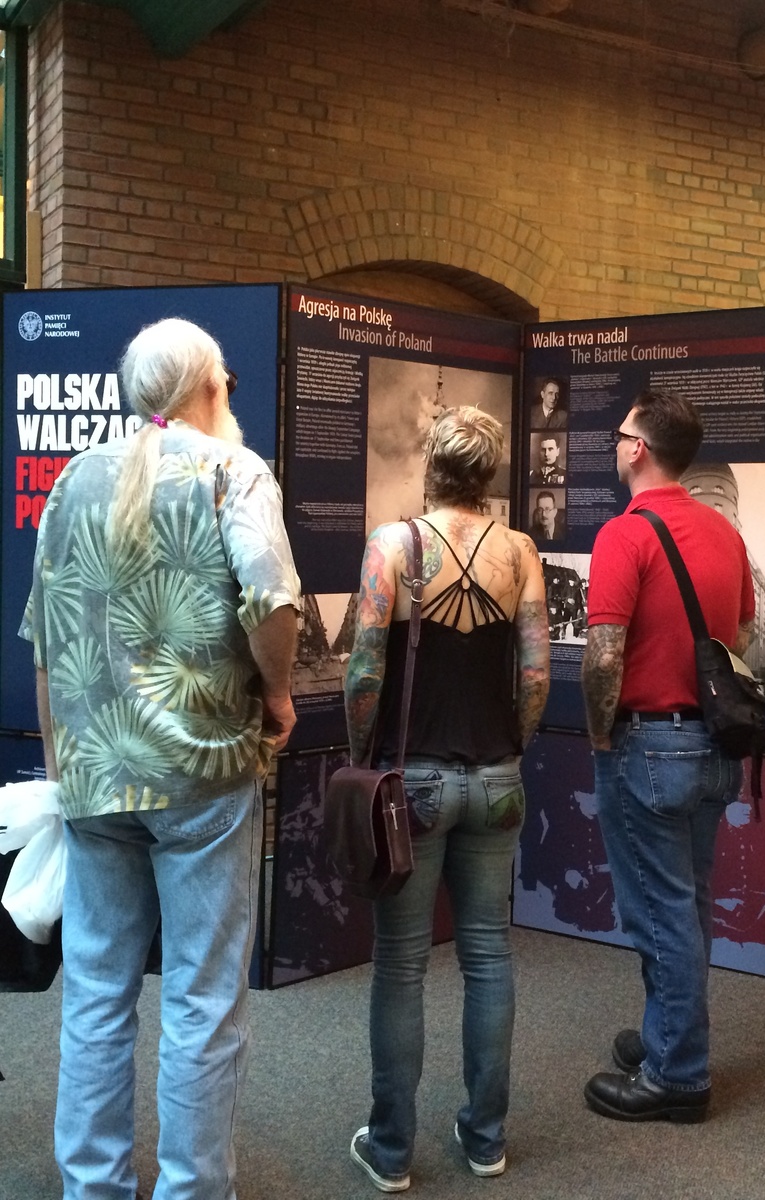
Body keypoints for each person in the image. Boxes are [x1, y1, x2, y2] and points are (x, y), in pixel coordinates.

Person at [19, 317, 302, 1199]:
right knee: (203, 999)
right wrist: (279, 694)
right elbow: (272, 599)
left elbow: (45, 637)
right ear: (212, 385)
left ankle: (92, 1186)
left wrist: (61, 761)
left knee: (96, 993)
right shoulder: (233, 471)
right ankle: (191, 1189)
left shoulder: (74, 477)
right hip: (203, 774)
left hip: (94, 775)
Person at [344, 406, 550, 1191]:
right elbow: (535, 675)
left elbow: (365, 668)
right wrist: (511, 744)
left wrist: (363, 756)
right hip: (497, 778)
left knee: (401, 967)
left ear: (432, 464)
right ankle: (486, 1139)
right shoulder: (519, 551)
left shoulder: (393, 546)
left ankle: (392, 1150)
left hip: (414, 782)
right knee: (489, 956)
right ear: (488, 472)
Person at [580, 390, 754, 1124]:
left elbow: (602, 655)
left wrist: (599, 735)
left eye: (621, 433)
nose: (616, 443)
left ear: (639, 449)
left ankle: (677, 1076)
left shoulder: (626, 534)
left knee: (660, 913)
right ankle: (665, 1036)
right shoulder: (725, 535)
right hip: (713, 747)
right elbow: (741, 637)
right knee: (687, 903)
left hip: (648, 746)